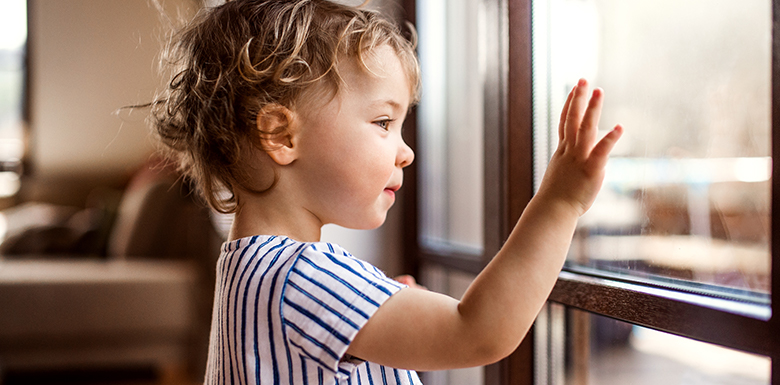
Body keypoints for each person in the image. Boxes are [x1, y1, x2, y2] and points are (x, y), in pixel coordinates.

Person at [149, 0, 623, 384]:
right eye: (382, 122)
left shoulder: (249, 269)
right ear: (281, 136)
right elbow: (477, 333)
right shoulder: (304, 276)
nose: (406, 152)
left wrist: (378, 309)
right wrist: (560, 203)